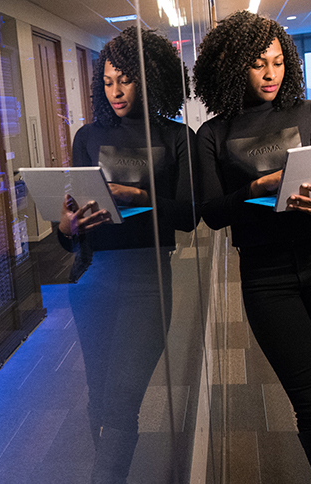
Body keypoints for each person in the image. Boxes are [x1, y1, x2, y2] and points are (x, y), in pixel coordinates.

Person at [193, 11, 311, 483]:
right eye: (258, 64)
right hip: (267, 279)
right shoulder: (214, 134)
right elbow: (211, 211)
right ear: (231, 67)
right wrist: (256, 189)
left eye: (278, 61)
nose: (271, 74)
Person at [56, 26, 196, 483]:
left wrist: (134, 195)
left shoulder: (177, 137)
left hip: (147, 280)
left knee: (122, 398)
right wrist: (66, 227)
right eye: (109, 80)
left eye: (127, 79)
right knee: (99, 395)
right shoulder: (87, 136)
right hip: (93, 277)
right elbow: (70, 228)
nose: (116, 91)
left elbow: (190, 216)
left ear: (149, 78)